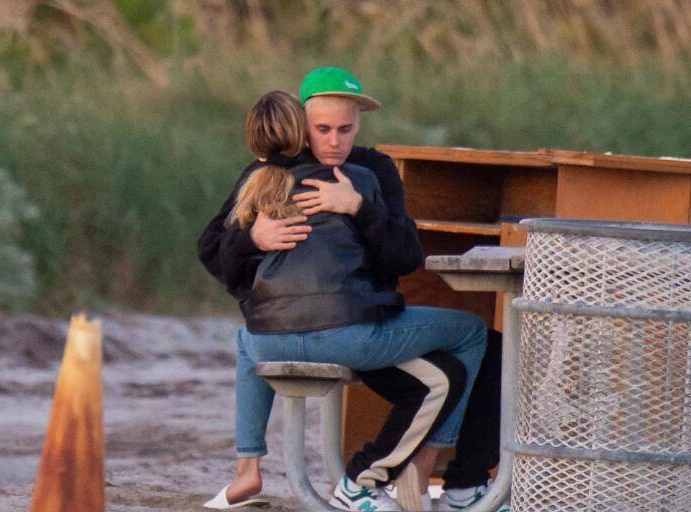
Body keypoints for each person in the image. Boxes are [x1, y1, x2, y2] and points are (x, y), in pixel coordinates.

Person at [199, 67, 505, 511]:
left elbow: (405, 257)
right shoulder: (269, 170)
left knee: (487, 350)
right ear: (301, 123)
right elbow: (211, 248)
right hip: (350, 328)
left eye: (344, 129)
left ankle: (447, 480)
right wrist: (253, 239)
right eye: (322, 129)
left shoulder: (372, 170)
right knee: (463, 352)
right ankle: (404, 477)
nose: (334, 141)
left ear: (359, 124)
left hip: (345, 317)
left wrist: (359, 209)